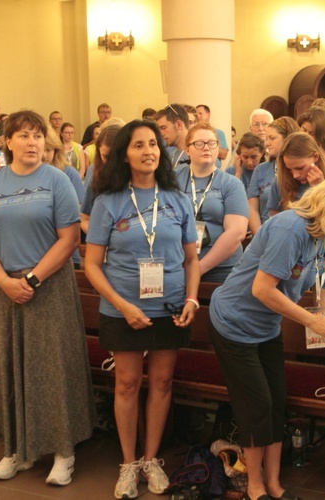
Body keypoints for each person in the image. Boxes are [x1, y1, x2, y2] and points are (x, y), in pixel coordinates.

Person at [209, 169, 325, 500]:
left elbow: (324, 300)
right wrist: (311, 323)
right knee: (256, 407)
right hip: (234, 323)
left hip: (265, 326)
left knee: (275, 404)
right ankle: (255, 488)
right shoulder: (292, 227)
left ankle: (273, 484)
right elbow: (262, 289)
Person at [0, 110, 96, 486]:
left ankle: (63, 451)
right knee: (9, 364)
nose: (32, 143)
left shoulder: (57, 181)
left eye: (38, 136)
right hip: (1, 288)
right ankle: (17, 450)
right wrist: (3, 282)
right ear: (6, 142)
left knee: (52, 368)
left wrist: (31, 278)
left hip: (49, 285)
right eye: (23, 136)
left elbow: (70, 238)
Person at [83, 120, 200, 499]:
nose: (148, 151)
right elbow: (92, 264)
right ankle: (128, 464)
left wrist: (192, 298)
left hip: (169, 307)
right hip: (123, 309)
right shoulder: (107, 202)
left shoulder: (177, 198)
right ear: (124, 153)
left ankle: (151, 460)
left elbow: (191, 260)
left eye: (153, 144)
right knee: (128, 384)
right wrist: (122, 304)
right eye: (138, 145)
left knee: (162, 383)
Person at [177, 123, 249, 282]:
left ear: (218, 148)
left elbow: (236, 232)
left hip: (222, 270)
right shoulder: (173, 180)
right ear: (187, 150)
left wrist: (198, 269)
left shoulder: (231, 184)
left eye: (211, 143)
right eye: (199, 143)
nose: (206, 148)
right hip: (179, 266)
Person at [247, 117, 300, 233]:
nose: (267, 143)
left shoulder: (299, 170)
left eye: (272, 138)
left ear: (288, 138)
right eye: (266, 139)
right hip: (264, 233)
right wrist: (259, 236)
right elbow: (252, 208)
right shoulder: (261, 169)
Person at [44, 128, 85, 269]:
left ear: (56, 151)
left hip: (66, 252)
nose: (44, 155)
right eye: (41, 149)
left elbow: (80, 209)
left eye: (48, 150)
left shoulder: (69, 173)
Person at [267, 132, 325, 216]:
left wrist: (319, 189)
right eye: (289, 169)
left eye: (300, 168)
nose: (295, 175)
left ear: (315, 157)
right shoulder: (280, 182)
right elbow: (274, 219)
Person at [81, 124, 122, 234]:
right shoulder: (96, 173)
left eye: (115, 156)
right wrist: (99, 238)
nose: (111, 162)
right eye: (106, 157)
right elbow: (84, 217)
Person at [154, 104, 190, 170]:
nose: (161, 133)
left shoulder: (197, 155)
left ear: (179, 125)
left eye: (163, 128)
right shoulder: (169, 156)